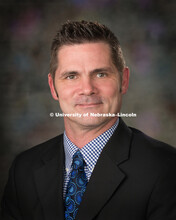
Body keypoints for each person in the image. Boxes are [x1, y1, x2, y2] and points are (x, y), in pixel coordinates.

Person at [1, 20, 176, 220]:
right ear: (52, 87)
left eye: (101, 74)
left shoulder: (165, 168)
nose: (87, 88)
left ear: (124, 80)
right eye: (71, 76)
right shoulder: (23, 169)